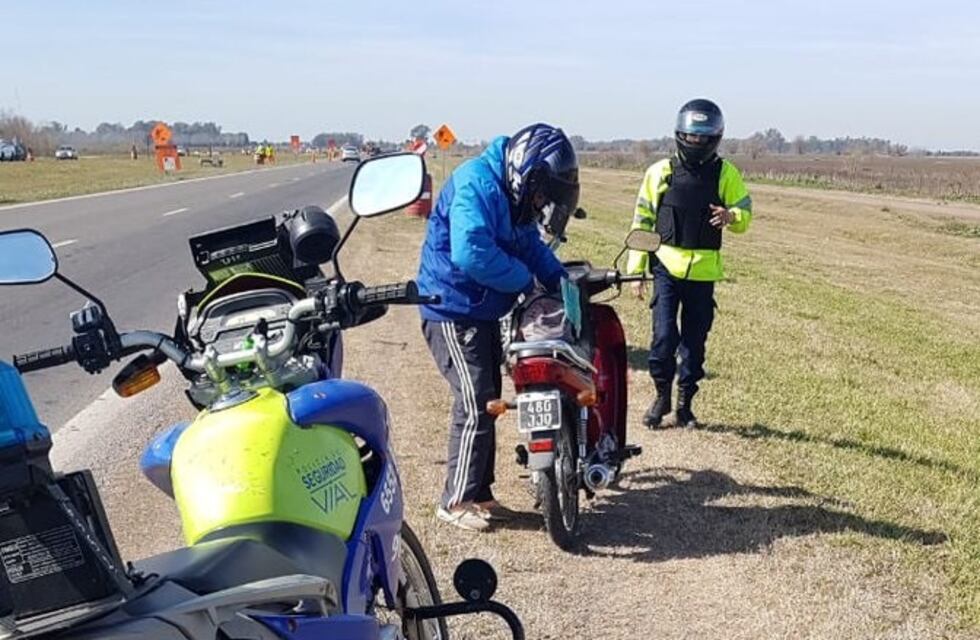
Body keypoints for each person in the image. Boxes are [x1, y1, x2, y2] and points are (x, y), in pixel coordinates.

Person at [417, 123, 578, 531]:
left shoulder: (511, 194)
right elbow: (471, 252)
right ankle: (455, 500)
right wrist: (525, 281)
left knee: (488, 400)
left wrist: (560, 280)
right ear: (527, 173)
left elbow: (529, 244)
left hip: (482, 308)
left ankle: (481, 495)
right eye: (541, 193)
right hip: (451, 307)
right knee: (474, 403)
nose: (541, 203)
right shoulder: (476, 183)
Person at [626, 99, 752, 429]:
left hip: (704, 272)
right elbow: (642, 219)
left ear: (715, 138)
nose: (696, 143)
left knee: (695, 343)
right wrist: (637, 269)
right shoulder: (660, 172)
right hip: (666, 268)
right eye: (691, 137)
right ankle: (661, 395)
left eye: (703, 137)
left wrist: (731, 216)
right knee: (664, 337)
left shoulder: (726, 174)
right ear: (680, 135)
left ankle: (685, 404)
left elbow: (744, 214)